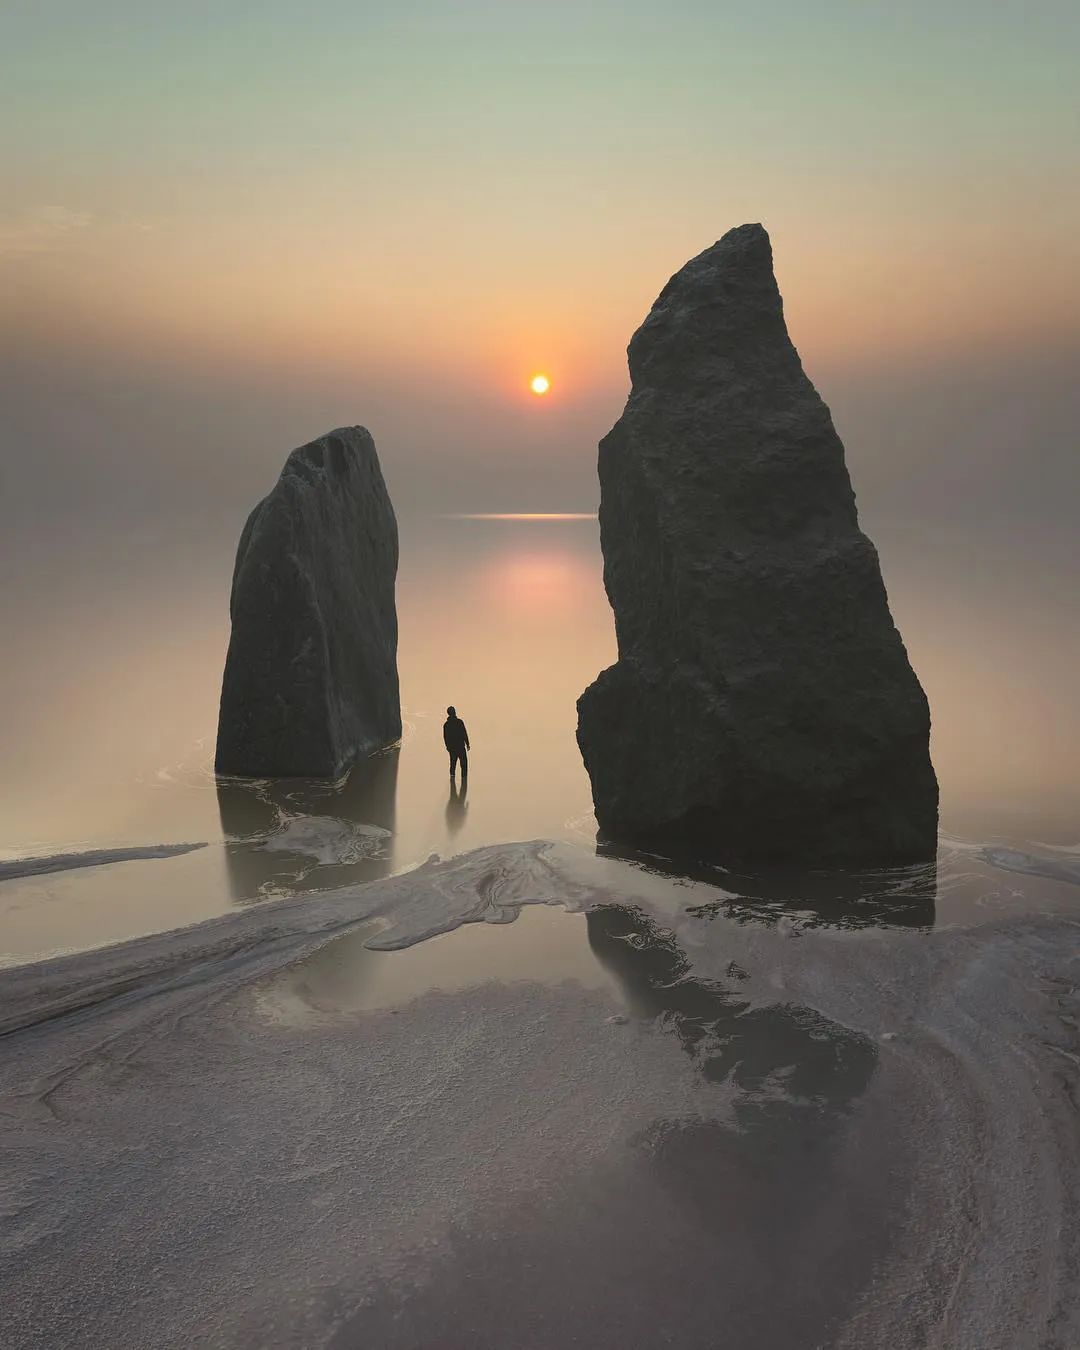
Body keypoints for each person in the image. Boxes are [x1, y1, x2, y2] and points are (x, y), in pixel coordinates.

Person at [443, 705, 470, 782]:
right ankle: (464, 780)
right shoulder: (459, 722)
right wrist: (467, 743)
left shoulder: (446, 725)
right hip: (460, 746)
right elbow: (464, 733)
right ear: (454, 712)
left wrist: (448, 747)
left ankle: (452, 780)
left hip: (452, 748)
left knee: (453, 764)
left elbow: (445, 737)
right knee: (464, 764)